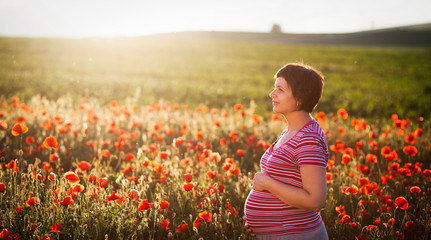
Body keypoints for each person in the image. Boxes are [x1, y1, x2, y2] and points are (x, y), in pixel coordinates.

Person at [244, 63, 329, 240]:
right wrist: (262, 224)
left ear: (299, 98)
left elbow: (315, 200)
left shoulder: (308, 139)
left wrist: (267, 183)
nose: (272, 94)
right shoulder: (293, 131)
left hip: (298, 234)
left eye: (280, 89)